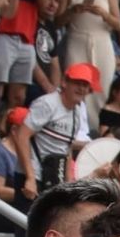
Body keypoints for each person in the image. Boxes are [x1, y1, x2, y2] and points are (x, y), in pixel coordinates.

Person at [18, 63, 99, 200]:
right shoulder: (47, 104)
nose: (81, 88)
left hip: (53, 178)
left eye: (85, 85)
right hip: (32, 176)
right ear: (64, 82)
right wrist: (30, 177)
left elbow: (67, 148)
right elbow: (22, 136)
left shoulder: (77, 112)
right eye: (77, 83)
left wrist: (67, 184)